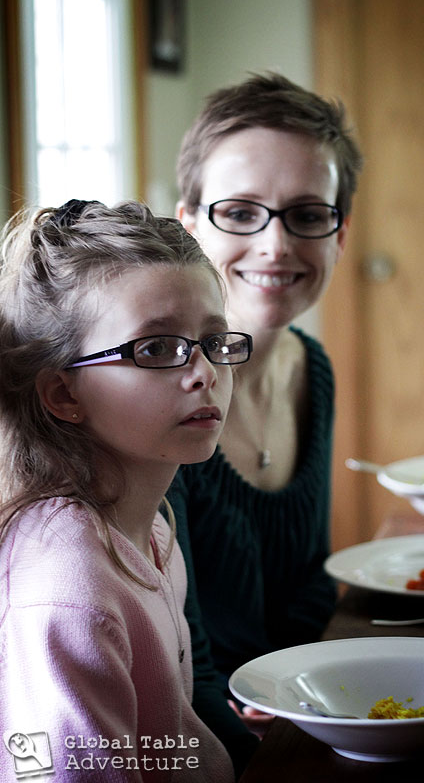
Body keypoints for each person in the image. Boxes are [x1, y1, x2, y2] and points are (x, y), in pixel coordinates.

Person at [0, 199, 254, 781]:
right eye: (157, 347)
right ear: (64, 394)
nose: (205, 373)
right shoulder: (70, 588)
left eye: (214, 340)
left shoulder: (152, 525)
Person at [167, 73, 363, 748]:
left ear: (339, 235)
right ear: (189, 224)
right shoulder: (164, 401)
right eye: (240, 212)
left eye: (307, 215)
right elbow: (185, 665)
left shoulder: (313, 369)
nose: (276, 245)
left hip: (305, 713)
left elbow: (310, 583)